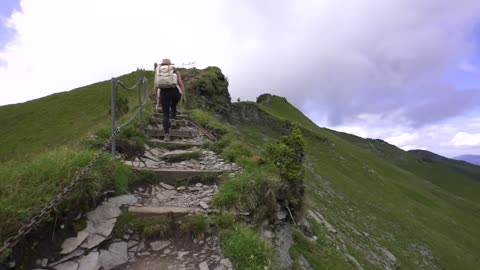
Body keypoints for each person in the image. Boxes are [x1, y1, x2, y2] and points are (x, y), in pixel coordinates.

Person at [155, 58, 185, 140]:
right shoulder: (174, 69)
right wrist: (183, 94)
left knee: (165, 114)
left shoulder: (158, 70)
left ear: (162, 64)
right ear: (170, 64)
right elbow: (180, 83)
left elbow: (156, 85)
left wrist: (157, 96)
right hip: (174, 91)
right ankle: (173, 120)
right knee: (173, 105)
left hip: (164, 92)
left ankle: (166, 135)